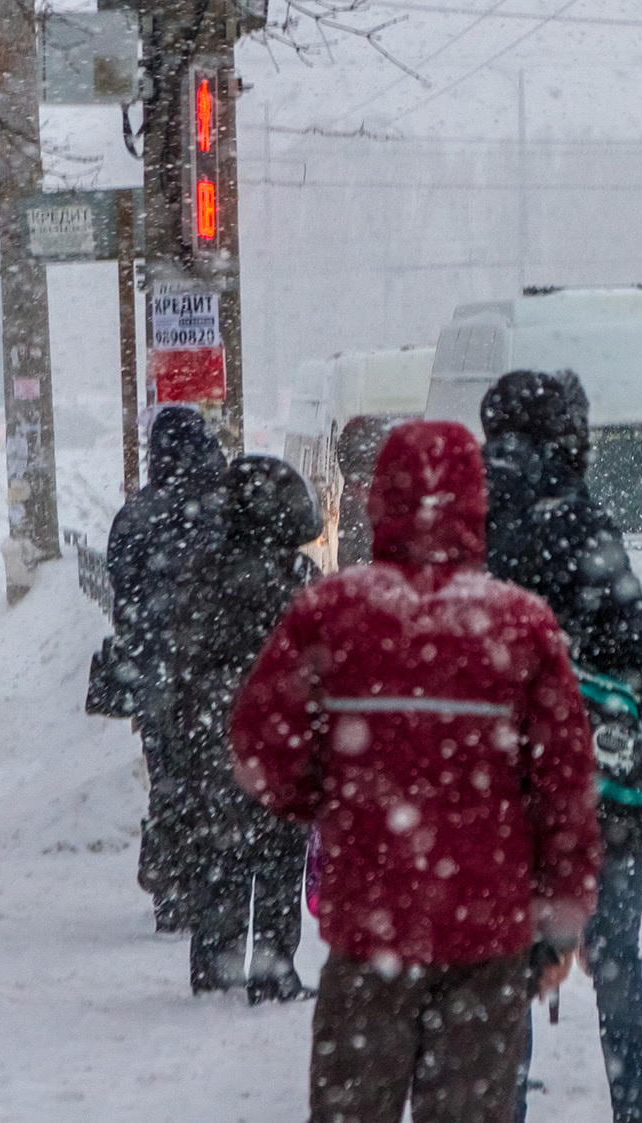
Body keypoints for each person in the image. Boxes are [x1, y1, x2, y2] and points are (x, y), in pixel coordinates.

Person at [230, 421, 603, 1123]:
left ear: (377, 501)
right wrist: (559, 916)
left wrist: (328, 798)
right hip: (486, 938)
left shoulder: (333, 614)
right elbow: (566, 788)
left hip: (370, 931)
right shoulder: (520, 627)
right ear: (478, 504)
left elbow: (260, 747)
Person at [479, 369, 642, 1123]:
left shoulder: (463, 523)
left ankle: (506, 1101)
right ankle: (634, 1109)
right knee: (617, 955)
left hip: (490, 787)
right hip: (589, 784)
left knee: (498, 959)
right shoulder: (580, 523)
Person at [166, 455, 319, 1003]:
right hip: (281, 733)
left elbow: (182, 657)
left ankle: (215, 964)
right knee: (279, 852)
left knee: (220, 852)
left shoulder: (203, 570)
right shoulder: (297, 577)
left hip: (217, 731)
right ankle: (274, 969)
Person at [106, 406, 227, 931]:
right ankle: (213, 877)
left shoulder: (137, 515)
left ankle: (170, 886)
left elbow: (123, 597)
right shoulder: (226, 507)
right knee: (216, 777)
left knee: (169, 779)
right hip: (217, 671)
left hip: (159, 675)